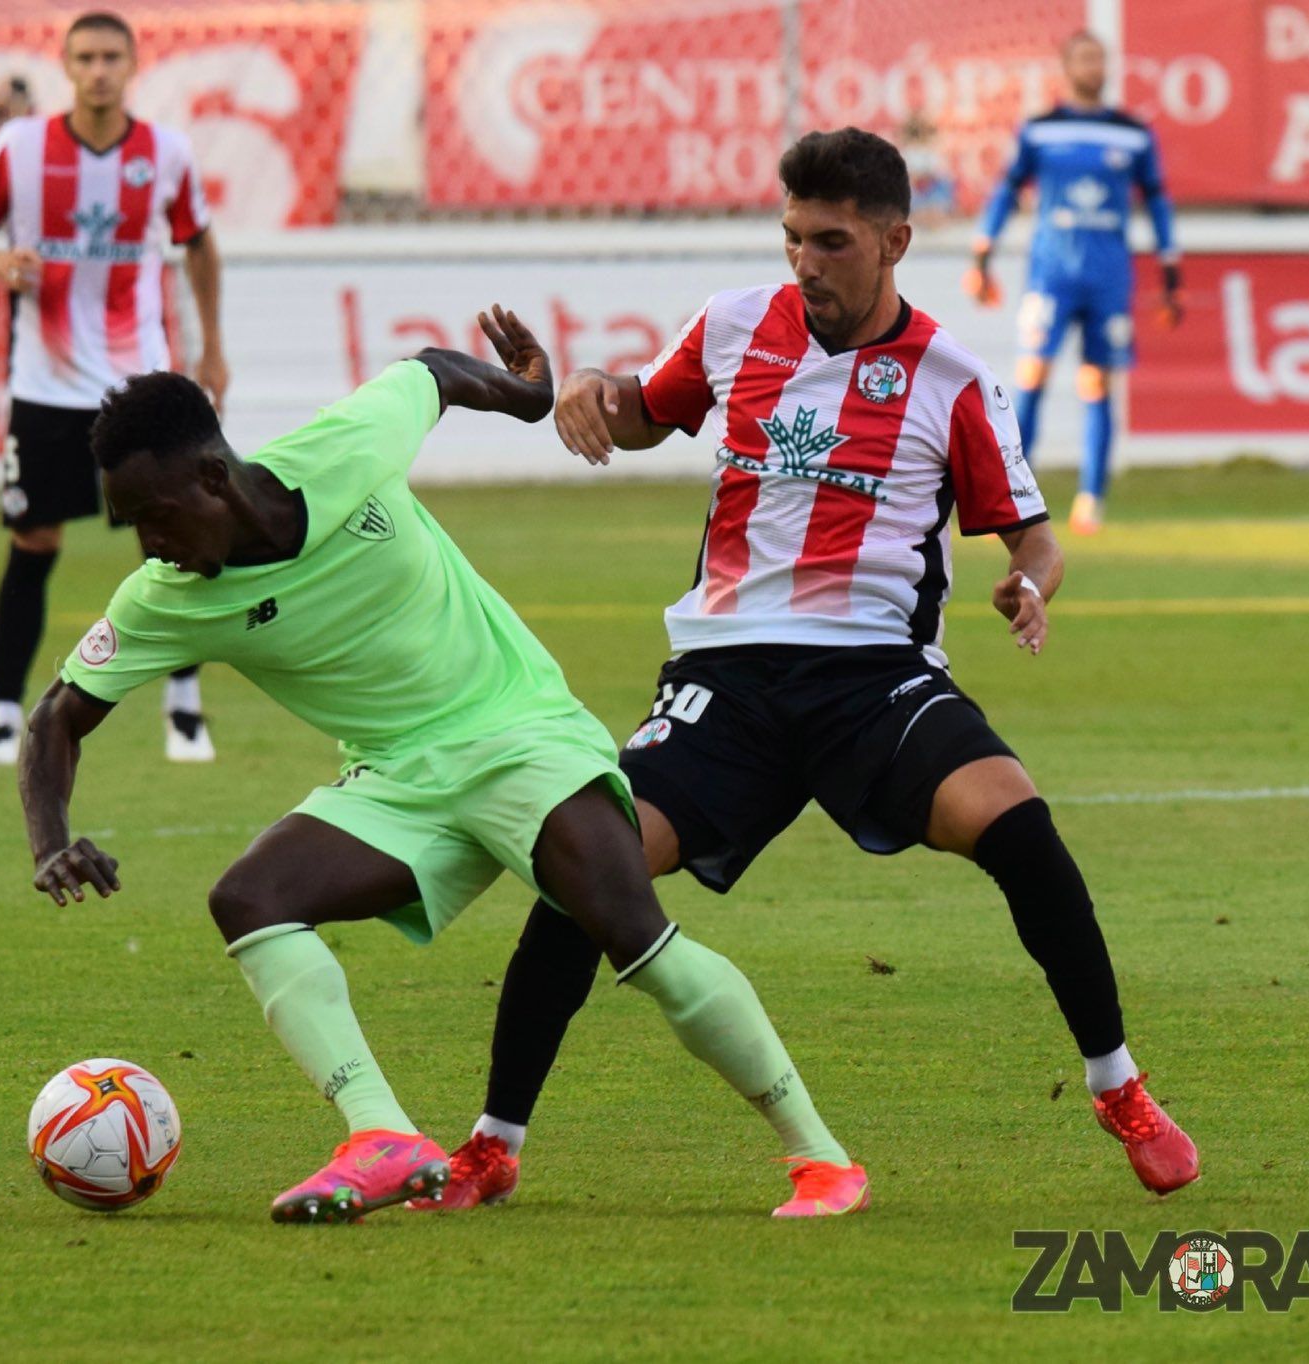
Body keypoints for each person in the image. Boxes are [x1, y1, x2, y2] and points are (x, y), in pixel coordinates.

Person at [422, 128, 1198, 1214]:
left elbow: (1030, 535)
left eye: (830, 241)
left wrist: (1030, 585)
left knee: (1016, 820)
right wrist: (592, 388)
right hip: (724, 677)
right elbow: (644, 411)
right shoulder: (734, 324)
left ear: (893, 241)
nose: (805, 262)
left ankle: (1117, 1085)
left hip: (869, 678)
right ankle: (492, 1142)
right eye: (791, 238)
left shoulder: (951, 376)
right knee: (586, 863)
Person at [14, 306, 868, 1223]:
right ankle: (381, 1135)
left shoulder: (347, 446)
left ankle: (820, 1161)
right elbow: (54, 722)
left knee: (635, 936)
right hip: (398, 780)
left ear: (214, 477)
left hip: (522, 732)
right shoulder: (163, 601)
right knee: (251, 898)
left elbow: (437, 371)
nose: (149, 543)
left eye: (156, 515)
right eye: (129, 526)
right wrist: (49, 839)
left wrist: (529, 397)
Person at [0, 10, 230, 765]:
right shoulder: (20, 146)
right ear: (67, 66)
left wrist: (212, 349)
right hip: (43, 385)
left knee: (174, 537)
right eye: (85, 57)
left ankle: (184, 706)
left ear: (132, 63)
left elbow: (200, 244)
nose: (99, 69)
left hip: (135, 382)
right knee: (33, 541)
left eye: (111, 55)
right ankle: (5, 716)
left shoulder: (165, 154)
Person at [964, 31, 1182, 535]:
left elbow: (1158, 200)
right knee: (1033, 376)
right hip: (1051, 276)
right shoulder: (1041, 130)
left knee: (1098, 382)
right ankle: (1017, 493)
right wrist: (982, 253)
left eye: (1100, 58)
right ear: (1067, 68)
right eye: (1085, 58)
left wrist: (1172, 270)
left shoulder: (1132, 132)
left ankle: (1091, 499)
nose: (1095, 66)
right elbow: (1007, 190)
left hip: (1108, 278)